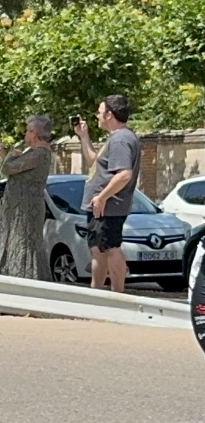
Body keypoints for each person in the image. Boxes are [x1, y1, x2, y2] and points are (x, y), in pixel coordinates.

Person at [76, 94, 140, 293]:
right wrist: (84, 137)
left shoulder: (120, 139)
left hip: (108, 206)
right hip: (101, 205)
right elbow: (95, 163)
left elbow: (124, 174)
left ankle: (115, 295)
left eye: (100, 112)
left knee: (110, 247)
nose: (97, 116)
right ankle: (98, 294)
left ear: (110, 115)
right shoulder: (116, 138)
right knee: (98, 249)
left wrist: (102, 197)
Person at [0, 115, 53, 281]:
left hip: (26, 209)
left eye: (27, 131)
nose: (25, 135)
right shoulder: (33, 153)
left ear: (34, 133)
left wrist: (11, 155)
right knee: (17, 243)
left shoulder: (39, 153)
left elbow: (8, 168)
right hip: (18, 208)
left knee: (24, 244)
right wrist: (1, 151)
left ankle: (26, 281)